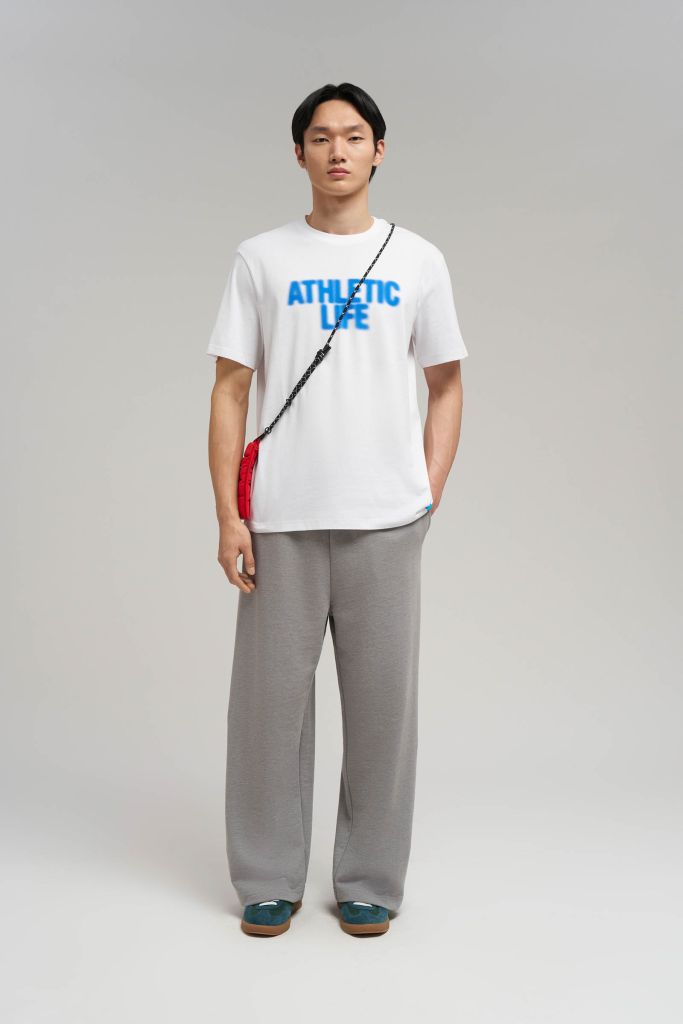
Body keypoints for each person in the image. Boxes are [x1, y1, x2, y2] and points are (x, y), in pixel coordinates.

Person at [206, 82, 468, 937]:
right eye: (320, 138)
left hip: (385, 522)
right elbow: (230, 389)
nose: (337, 151)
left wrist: (425, 490)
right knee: (266, 714)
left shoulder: (417, 260)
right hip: (279, 518)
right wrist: (228, 515)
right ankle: (265, 877)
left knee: (383, 712)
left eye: (353, 136)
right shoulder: (260, 258)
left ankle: (369, 880)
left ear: (378, 150)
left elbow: (446, 383)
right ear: (299, 154)